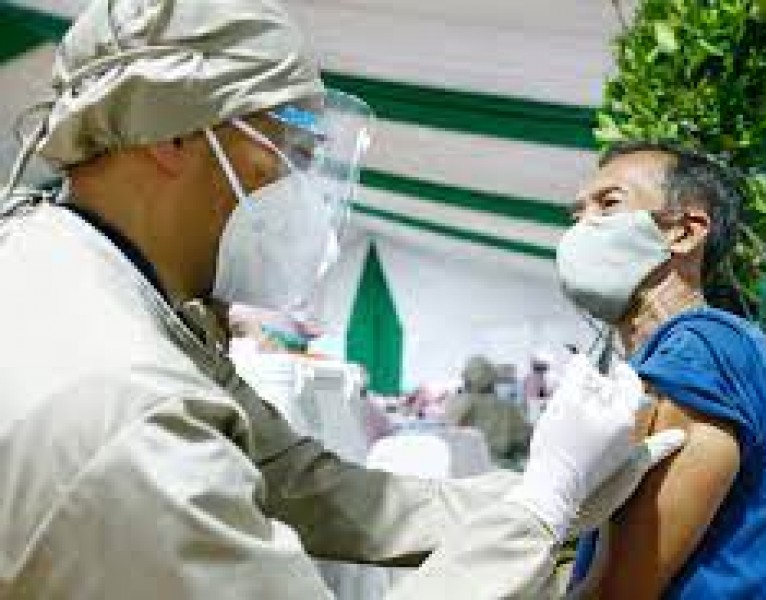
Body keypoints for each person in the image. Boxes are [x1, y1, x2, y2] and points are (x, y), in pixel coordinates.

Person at [0, 1, 686, 597]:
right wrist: (540, 508)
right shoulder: (126, 410)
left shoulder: (99, 276)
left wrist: (543, 494)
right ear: (175, 133)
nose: (305, 188)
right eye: (292, 149)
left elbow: (309, 485)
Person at [560, 142, 766, 598]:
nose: (582, 226)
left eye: (608, 204)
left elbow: (621, 591)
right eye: (575, 214)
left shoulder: (700, 349)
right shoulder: (696, 349)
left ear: (685, 232)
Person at [445, 355, 531, 462]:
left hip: (465, 464)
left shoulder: (455, 402)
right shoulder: (509, 408)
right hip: (500, 464)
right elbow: (525, 440)